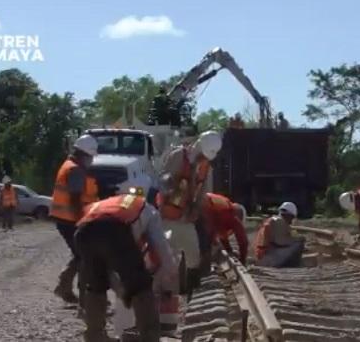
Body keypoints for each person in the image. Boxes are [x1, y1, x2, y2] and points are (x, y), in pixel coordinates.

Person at [75, 193, 177, 342]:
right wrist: (169, 275)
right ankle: (150, 337)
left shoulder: (111, 204)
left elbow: (113, 267)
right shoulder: (150, 212)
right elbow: (160, 245)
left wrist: (124, 291)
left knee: (96, 285)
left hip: (82, 233)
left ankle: (94, 335)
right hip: (112, 229)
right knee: (141, 285)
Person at [156, 130, 222, 297]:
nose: (203, 158)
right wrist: (173, 184)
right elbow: (162, 180)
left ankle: (191, 295)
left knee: (194, 256)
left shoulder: (206, 168)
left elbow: (203, 194)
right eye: (202, 154)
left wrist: (196, 209)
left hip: (187, 219)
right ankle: (164, 295)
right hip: (168, 217)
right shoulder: (179, 156)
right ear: (198, 146)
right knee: (167, 259)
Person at [50, 134, 99, 304]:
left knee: (80, 254)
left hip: (66, 219)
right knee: (84, 255)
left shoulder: (70, 165)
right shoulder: (75, 170)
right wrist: (82, 221)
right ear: (84, 154)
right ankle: (85, 296)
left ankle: (64, 287)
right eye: (91, 156)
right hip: (70, 219)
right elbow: (75, 198)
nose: (92, 159)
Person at [196, 193, 248, 273]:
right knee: (206, 245)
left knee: (205, 242)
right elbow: (243, 241)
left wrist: (229, 250)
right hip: (204, 211)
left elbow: (222, 236)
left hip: (197, 206)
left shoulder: (224, 208)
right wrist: (243, 260)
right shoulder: (232, 214)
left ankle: (198, 269)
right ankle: (202, 272)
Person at [253, 202, 305, 268]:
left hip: (263, 254)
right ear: (289, 215)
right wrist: (295, 239)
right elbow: (281, 242)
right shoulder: (279, 222)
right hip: (268, 258)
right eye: (292, 218)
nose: (291, 221)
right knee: (299, 242)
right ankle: (293, 265)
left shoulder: (273, 220)